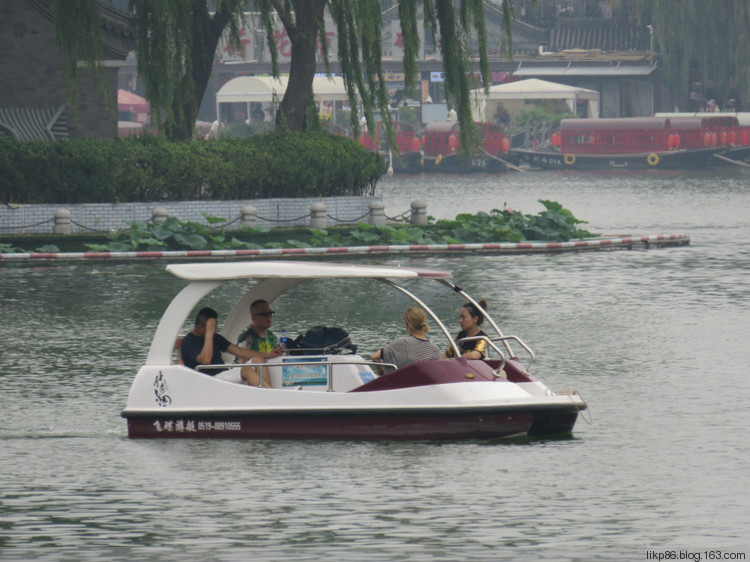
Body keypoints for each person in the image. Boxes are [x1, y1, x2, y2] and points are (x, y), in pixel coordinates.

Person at [180, 307, 264, 380]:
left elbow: (239, 351)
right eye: (212, 328)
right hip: (210, 379)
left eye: (215, 327)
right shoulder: (188, 342)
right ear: (199, 327)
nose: (215, 330)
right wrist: (209, 334)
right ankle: (267, 394)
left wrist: (268, 355)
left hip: (223, 374)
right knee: (247, 371)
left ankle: (269, 392)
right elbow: (206, 360)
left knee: (258, 360)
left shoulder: (216, 337)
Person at [371, 307, 441, 374]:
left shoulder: (402, 343)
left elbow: (374, 357)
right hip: (422, 384)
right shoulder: (434, 349)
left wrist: (380, 372)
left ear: (408, 325)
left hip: (401, 384)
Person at [236, 299, 284, 386]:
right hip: (251, 376)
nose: (269, 317)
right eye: (264, 314)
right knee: (259, 360)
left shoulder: (271, 336)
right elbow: (241, 362)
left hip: (271, 372)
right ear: (254, 317)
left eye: (270, 313)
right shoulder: (246, 337)